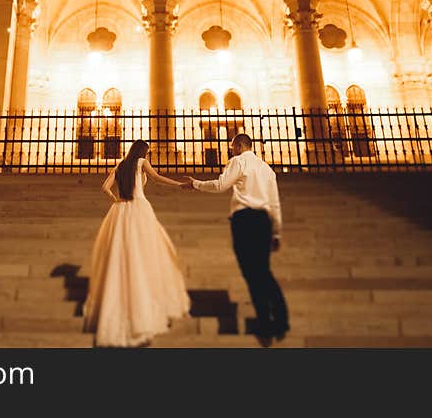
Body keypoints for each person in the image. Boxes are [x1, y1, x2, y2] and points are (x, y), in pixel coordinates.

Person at [83, 139, 191, 347]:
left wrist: (116, 200)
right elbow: (157, 177)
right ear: (144, 152)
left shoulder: (120, 164)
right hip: (139, 209)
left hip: (121, 210)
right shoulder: (141, 162)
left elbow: (104, 187)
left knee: (120, 255)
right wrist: (180, 184)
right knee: (146, 253)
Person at [184, 133, 289, 344]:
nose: (230, 151)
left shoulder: (238, 162)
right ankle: (280, 319)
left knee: (251, 273)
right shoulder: (267, 169)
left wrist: (195, 183)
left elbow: (221, 185)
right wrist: (276, 232)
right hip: (264, 221)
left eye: (232, 147)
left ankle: (266, 324)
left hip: (245, 221)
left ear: (240, 145)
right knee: (263, 271)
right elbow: (275, 202)